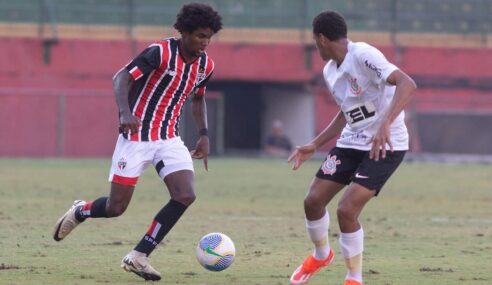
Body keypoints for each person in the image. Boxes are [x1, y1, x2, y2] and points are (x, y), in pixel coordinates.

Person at [53, 3, 222, 281]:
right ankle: (81, 210)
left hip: (169, 138)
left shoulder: (207, 65)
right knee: (115, 208)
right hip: (136, 137)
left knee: (185, 195)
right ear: (184, 32)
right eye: (199, 35)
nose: (204, 42)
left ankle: (139, 256)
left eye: (209, 37)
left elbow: (199, 99)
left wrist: (204, 134)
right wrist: (125, 112)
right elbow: (121, 77)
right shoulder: (160, 52)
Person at [287, 10, 416, 285]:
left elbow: (407, 83)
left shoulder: (364, 55)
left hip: (386, 144)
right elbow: (348, 112)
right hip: (351, 141)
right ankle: (321, 254)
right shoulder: (329, 70)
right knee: (312, 201)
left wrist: (385, 124)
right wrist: (315, 143)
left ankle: (354, 278)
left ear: (321, 38)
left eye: (314, 40)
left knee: (346, 211)